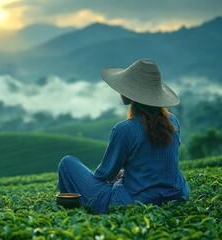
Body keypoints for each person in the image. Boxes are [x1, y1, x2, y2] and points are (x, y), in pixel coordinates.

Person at [57, 59, 190, 214]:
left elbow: (104, 174)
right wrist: (127, 173)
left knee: (67, 163)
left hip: (135, 201)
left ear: (130, 93)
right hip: (177, 196)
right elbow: (158, 163)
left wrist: (115, 174)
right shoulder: (173, 122)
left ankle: (72, 212)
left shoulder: (124, 129)